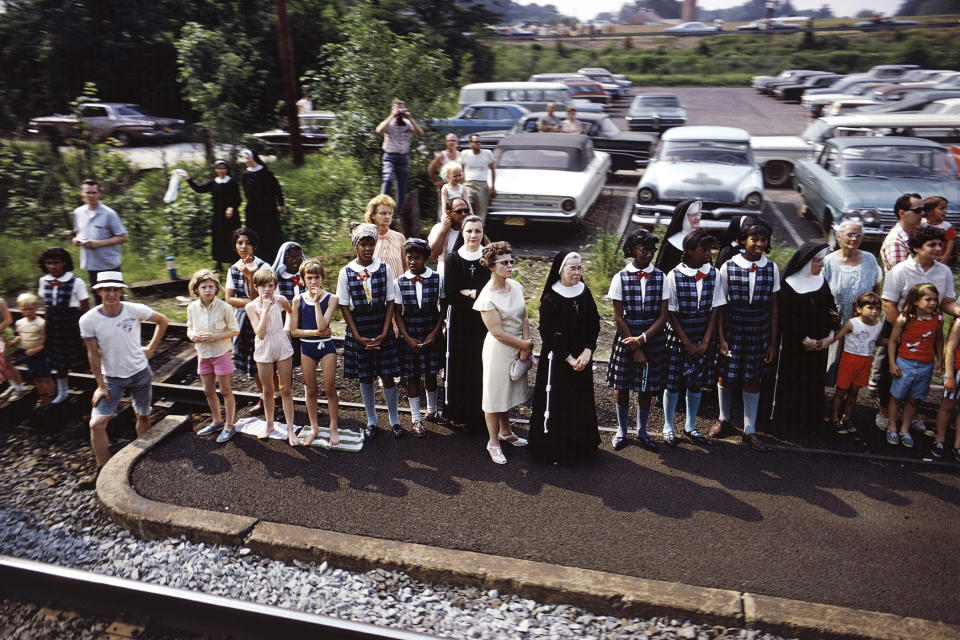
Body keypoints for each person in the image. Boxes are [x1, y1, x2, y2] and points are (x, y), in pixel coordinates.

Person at [79, 271, 168, 487]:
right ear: (98, 291)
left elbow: (162, 321)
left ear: (121, 291)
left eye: (115, 289)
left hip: (140, 373)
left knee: (144, 416)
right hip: (112, 378)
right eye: (106, 289)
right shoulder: (89, 320)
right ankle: (102, 470)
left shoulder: (133, 310)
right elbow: (92, 353)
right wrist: (100, 385)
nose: (111, 294)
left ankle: (142, 462)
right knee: (97, 424)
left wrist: (152, 348)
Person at [881, 226, 960, 435]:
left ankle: (910, 419)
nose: (938, 248)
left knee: (918, 379)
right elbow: (889, 304)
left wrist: (959, 311)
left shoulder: (944, 271)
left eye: (939, 244)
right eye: (931, 244)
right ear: (917, 248)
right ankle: (885, 415)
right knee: (893, 376)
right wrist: (906, 331)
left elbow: (947, 302)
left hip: (928, 333)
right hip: (900, 329)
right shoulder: (899, 271)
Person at [711, 218, 779, 452]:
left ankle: (749, 431)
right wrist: (721, 337)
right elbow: (719, 305)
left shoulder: (771, 268)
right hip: (733, 328)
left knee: (752, 379)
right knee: (726, 376)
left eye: (763, 240)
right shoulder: (728, 266)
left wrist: (772, 341)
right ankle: (724, 419)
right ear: (743, 241)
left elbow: (773, 307)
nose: (759, 244)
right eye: (754, 239)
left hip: (758, 330)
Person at [528, 251, 601, 464]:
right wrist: (569, 358)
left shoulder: (584, 292)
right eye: (572, 268)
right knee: (558, 405)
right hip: (557, 362)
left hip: (582, 360)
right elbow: (547, 333)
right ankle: (554, 451)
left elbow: (594, 323)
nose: (577, 272)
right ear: (561, 270)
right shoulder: (551, 297)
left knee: (579, 403)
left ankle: (580, 449)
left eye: (579, 268)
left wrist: (588, 350)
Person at [337, 223, 404, 438]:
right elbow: (344, 306)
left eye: (371, 244)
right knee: (365, 377)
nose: (368, 248)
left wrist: (385, 332)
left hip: (380, 324)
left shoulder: (384, 268)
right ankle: (372, 420)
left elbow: (391, 302)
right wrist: (356, 335)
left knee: (387, 376)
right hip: (360, 327)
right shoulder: (346, 272)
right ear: (356, 245)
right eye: (363, 244)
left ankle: (394, 419)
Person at [606, 228, 668, 452]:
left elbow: (663, 316)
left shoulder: (661, 277)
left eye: (652, 250)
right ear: (633, 249)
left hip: (651, 337)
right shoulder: (620, 277)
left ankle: (642, 430)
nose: (649, 254)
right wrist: (633, 346)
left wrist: (642, 340)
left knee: (645, 387)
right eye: (644, 250)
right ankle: (622, 429)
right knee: (622, 386)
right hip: (626, 337)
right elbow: (618, 317)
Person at [474, 241, 533, 464]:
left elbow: (525, 316)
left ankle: (505, 432)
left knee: (508, 393)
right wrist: (524, 345)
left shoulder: (516, 286)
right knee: (494, 396)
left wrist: (526, 343)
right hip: (498, 351)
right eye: (504, 262)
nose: (510, 266)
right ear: (491, 266)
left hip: (518, 346)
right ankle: (493, 442)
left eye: (511, 261)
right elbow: (497, 332)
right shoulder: (486, 296)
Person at [770, 243, 838, 432]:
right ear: (807, 262)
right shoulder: (789, 285)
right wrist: (803, 340)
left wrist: (830, 335)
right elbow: (785, 319)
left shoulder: (821, 282)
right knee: (794, 384)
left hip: (818, 346)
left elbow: (832, 309)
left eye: (822, 260)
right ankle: (788, 423)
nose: (821, 265)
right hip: (794, 349)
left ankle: (809, 422)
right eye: (818, 261)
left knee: (813, 383)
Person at [661, 230, 719, 447]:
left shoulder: (714, 273)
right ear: (690, 251)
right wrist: (686, 342)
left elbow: (715, 309)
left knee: (696, 384)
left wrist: (705, 341)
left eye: (709, 249)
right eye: (703, 250)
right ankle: (668, 425)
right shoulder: (674, 275)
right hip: (679, 338)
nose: (708, 253)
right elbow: (671, 312)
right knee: (673, 383)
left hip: (702, 338)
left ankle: (690, 425)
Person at [442, 215, 489, 429]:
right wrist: (477, 294)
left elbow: (491, 291)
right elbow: (451, 294)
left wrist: (470, 292)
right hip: (459, 321)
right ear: (462, 232)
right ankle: (456, 411)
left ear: (482, 233)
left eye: (478, 231)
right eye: (469, 231)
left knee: (480, 365)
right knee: (459, 365)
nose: (473, 235)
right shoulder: (452, 259)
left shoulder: (488, 258)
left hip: (483, 321)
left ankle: (478, 415)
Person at [822, 220, 883, 384]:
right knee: (828, 363)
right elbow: (820, 291)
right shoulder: (828, 262)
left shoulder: (870, 259)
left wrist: (874, 314)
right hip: (833, 321)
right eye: (849, 234)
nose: (854, 238)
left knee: (852, 368)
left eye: (858, 235)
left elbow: (876, 288)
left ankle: (844, 403)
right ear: (839, 236)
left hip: (860, 324)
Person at [395, 238, 444, 437]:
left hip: (431, 329)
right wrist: (406, 337)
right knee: (412, 376)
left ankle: (432, 410)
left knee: (431, 373)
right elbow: (397, 312)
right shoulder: (400, 281)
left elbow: (443, 309)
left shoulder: (437, 278)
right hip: (410, 332)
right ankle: (415, 418)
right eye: (409, 258)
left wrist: (434, 333)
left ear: (426, 258)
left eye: (417, 258)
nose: (413, 262)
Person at [289, 258, 340, 447]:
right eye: (309, 278)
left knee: (329, 388)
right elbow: (294, 331)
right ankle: (314, 428)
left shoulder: (331, 298)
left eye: (316, 278)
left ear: (322, 278)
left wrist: (317, 303)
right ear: (302, 279)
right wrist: (315, 333)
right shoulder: (297, 300)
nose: (313, 282)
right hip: (307, 347)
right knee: (311, 389)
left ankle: (333, 427)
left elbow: (323, 325)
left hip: (327, 347)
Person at [886, 283, 942, 448]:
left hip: (926, 365)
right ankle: (892, 427)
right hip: (905, 363)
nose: (933, 303)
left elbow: (939, 340)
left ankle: (905, 429)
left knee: (914, 400)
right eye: (928, 299)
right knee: (897, 397)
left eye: (935, 299)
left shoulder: (937, 318)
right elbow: (892, 341)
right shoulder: (904, 318)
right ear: (916, 301)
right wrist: (891, 363)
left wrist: (939, 360)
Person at [186, 270, 239, 442]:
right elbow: (189, 328)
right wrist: (192, 335)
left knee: (225, 390)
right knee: (208, 390)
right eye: (204, 287)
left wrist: (216, 336)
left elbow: (235, 329)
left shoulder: (225, 307)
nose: (208, 290)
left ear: (216, 288)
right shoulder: (192, 307)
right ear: (196, 289)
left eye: (211, 286)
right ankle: (217, 421)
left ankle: (229, 426)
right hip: (203, 354)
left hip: (220, 354)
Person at [246, 268, 298, 445]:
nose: (266, 290)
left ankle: (290, 429)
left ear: (275, 286)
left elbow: (291, 312)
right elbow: (259, 333)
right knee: (267, 390)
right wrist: (266, 309)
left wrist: (287, 328)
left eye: (270, 285)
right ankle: (269, 424)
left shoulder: (281, 300)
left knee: (285, 389)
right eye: (262, 286)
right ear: (256, 287)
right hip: (263, 347)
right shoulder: (251, 306)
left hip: (281, 344)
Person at [37, 247, 90, 403]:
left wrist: (85, 333)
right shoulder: (44, 281)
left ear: (64, 263)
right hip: (55, 324)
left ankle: (100, 387)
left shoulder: (76, 282)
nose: (52, 266)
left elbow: (85, 308)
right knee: (59, 361)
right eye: (48, 263)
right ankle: (62, 392)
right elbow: (47, 307)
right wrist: (46, 331)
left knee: (82, 357)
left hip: (72, 322)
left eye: (56, 263)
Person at [826, 292, 884, 434]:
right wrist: (823, 342)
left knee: (854, 393)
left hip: (865, 361)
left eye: (877, 308)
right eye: (870, 308)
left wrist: (899, 341)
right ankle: (834, 417)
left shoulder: (879, 325)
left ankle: (846, 417)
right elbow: (837, 337)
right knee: (841, 391)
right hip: (849, 360)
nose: (875, 311)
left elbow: (877, 341)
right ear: (859, 309)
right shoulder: (852, 323)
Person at [225, 227, 269, 410]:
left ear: (255, 246)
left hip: (263, 319)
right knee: (251, 364)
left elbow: (261, 297)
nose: (244, 247)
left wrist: (250, 276)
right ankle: (264, 398)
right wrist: (249, 303)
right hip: (244, 321)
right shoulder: (233, 269)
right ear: (235, 246)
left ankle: (276, 398)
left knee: (265, 362)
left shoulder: (264, 267)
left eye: (248, 243)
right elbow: (229, 298)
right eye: (240, 243)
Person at [176, 160, 242, 271]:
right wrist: (188, 178)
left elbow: (238, 199)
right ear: (215, 170)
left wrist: (232, 207)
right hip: (218, 217)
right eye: (219, 168)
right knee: (217, 239)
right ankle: (218, 264)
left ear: (227, 170)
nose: (221, 171)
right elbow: (199, 189)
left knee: (231, 238)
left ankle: (233, 262)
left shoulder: (232, 182)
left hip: (231, 217)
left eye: (223, 168)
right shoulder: (213, 183)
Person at [71, 179, 128, 304]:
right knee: (99, 299)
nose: (91, 196)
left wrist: (99, 243)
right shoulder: (78, 212)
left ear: (99, 194)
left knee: (116, 299)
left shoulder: (109, 214)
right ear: (82, 193)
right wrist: (77, 240)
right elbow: (78, 232)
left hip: (109, 264)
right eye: (88, 193)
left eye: (94, 193)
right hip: (91, 264)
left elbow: (123, 237)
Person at [239, 149, 285, 261]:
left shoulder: (266, 173)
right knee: (254, 233)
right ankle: (256, 256)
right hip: (253, 210)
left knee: (269, 232)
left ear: (254, 158)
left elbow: (277, 189)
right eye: (245, 158)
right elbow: (246, 192)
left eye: (247, 158)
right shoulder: (245, 175)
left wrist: (281, 204)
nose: (245, 160)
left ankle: (273, 256)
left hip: (268, 209)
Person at [375, 99, 423, 207]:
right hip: (390, 157)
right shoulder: (389, 122)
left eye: (402, 108)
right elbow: (379, 130)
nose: (400, 111)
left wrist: (410, 118)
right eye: (398, 108)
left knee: (402, 188)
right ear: (392, 109)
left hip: (403, 158)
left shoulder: (407, 123)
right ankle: (382, 205)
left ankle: (399, 214)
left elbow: (420, 133)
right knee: (387, 179)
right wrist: (392, 115)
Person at [13, 293, 55, 403]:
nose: (27, 312)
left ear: (36, 308)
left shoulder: (41, 323)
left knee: (46, 377)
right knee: (36, 377)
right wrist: (16, 341)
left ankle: (52, 398)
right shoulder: (19, 323)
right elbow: (21, 335)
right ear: (20, 309)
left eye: (30, 309)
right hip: (28, 354)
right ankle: (43, 397)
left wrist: (36, 349)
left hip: (40, 354)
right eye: (24, 309)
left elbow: (46, 341)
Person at [272, 241, 305, 365]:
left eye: (298, 256)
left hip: (303, 318)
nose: (295, 260)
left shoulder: (306, 276)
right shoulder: (278, 278)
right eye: (291, 257)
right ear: (284, 258)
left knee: (304, 353)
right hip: (285, 319)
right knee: (287, 355)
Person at [933, 313, 960, 461]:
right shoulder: (959, 323)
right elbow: (950, 349)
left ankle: (958, 444)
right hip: (957, 370)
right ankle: (940, 438)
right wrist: (949, 374)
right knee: (948, 406)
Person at [365, 194, 407, 284]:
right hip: (375, 291)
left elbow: (406, 267)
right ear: (373, 215)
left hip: (398, 291)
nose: (388, 217)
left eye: (390, 213)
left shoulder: (400, 238)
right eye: (383, 213)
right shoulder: (366, 240)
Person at [654, 199, 702, 274]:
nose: (697, 218)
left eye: (699, 214)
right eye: (693, 215)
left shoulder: (703, 241)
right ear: (684, 217)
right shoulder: (671, 245)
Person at [428, 197, 473, 276]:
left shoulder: (473, 230)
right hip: (447, 274)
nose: (463, 214)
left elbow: (488, 248)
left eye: (466, 211)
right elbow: (432, 254)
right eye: (459, 211)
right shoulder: (439, 228)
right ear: (448, 213)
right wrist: (443, 230)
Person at [880, 193, 923, 272]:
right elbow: (901, 275)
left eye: (924, 210)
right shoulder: (896, 241)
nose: (923, 213)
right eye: (918, 211)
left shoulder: (915, 232)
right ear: (902, 213)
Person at [461, 134, 496, 221]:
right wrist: (461, 184)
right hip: (468, 184)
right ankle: (467, 227)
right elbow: (461, 170)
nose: (478, 144)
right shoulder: (465, 153)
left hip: (482, 184)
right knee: (467, 206)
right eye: (476, 142)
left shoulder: (487, 153)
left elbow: (493, 170)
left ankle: (480, 229)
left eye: (480, 142)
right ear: (470, 143)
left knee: (482, 211)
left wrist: (493, 187)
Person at [0, 298, 28, 403]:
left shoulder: (1, 301)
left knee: (8, 364)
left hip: (4, 337)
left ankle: (20, 388)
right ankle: (13, 385)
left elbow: (8, 319)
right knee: (2, 365)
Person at [922, 196, 954, 264]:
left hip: (940, 258)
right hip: (925, 257)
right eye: (941, 208)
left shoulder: (946, 226)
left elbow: (950, 241)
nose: (945, 211)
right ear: (929, 211)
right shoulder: (922, 225)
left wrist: (946, 255)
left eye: (945, 208)